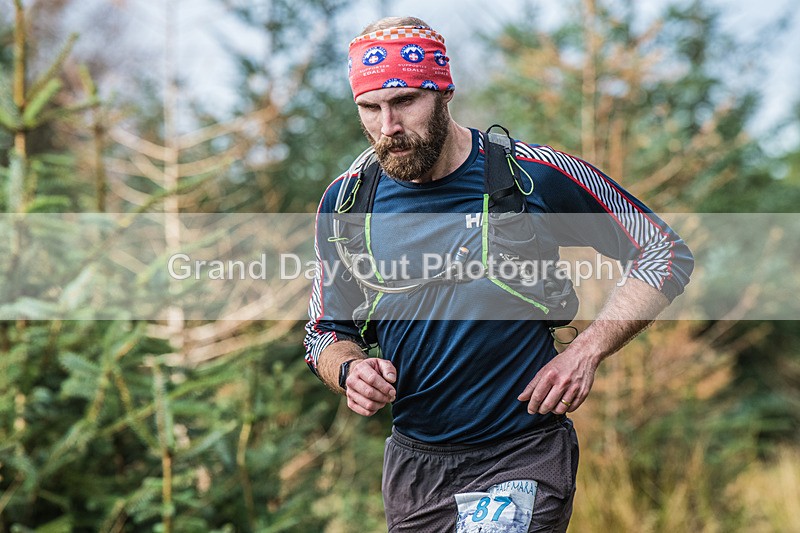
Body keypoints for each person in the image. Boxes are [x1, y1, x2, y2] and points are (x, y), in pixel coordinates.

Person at [303, 16, 693, 533]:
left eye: (404, 102)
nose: (388, 127)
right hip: (416, 468)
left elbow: (663, 251)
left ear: (444, 93)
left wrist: (587, 349)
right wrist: (350, 371)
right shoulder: (349, 201)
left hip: (520, 452)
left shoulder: (531, 174)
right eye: (370, 108)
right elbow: (323, 332)